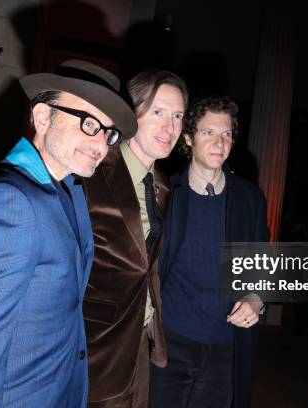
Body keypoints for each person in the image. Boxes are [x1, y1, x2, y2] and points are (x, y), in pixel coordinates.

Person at [0, 60, 137, 407]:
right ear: (42, 117)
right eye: (89, 123)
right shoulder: (8, 203)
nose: (100, 143)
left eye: (108, 132)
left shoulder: (69, 192)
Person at [149, 96, 269, 408]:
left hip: (225, 349)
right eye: (208, 133)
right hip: (170, 346)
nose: (220, 143)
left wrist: (255, 300)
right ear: (188, 138)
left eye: (227, 134)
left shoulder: (249, 198)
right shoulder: (165, 194)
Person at [82, 70, 188, 407]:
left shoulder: (162, 185)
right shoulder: (92, 171)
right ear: (131, 112)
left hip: (140, 340)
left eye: (177, 116)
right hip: (93, 347)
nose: (169, 127)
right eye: (157, 112)